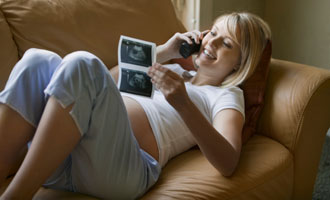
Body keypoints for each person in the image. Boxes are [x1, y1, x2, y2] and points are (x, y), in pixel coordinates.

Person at [0, 12, 271, 199]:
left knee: (83, 62)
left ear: (239, 63)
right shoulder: (174, 70)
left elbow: (228, 161)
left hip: (124, 171)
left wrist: (183, 104)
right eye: (212, 32)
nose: (210, 42)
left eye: (226, 43)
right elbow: (104, 79)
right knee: (37, 60)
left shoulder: (226, 95)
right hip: (70, 153)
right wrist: (165, 51)